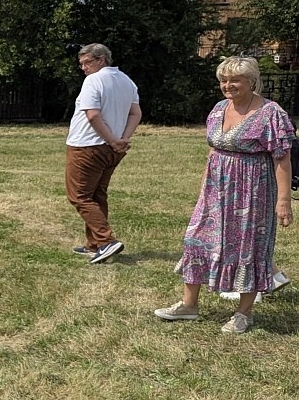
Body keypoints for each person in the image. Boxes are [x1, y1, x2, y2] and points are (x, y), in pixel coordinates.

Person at [155, 56, 294, 334]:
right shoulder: (219, 109)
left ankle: (244, 313)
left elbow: (282, 158)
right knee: (196, 239)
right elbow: (213, 151)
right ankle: (189, 305)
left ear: (251, 82)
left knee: (248, 247)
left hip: (253, 191)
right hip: (216, 188)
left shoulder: (271, 113)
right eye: (223, 80)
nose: (228, 85)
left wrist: (283, 200)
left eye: (235, 80)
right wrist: (205, 187)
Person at [65, 43, 142, 263]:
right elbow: (135, 113)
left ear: (101, 60)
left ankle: (106, 241)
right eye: (81, 64)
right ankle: (94, 244)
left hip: (87, 146)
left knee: (79, 196)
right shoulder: (126, 80)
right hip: (112, 149)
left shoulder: (94, 81)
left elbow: (92, 116)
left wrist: (113, 139)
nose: (83, 68)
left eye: (87, 62)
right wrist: (122, 139)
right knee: (97, 194)